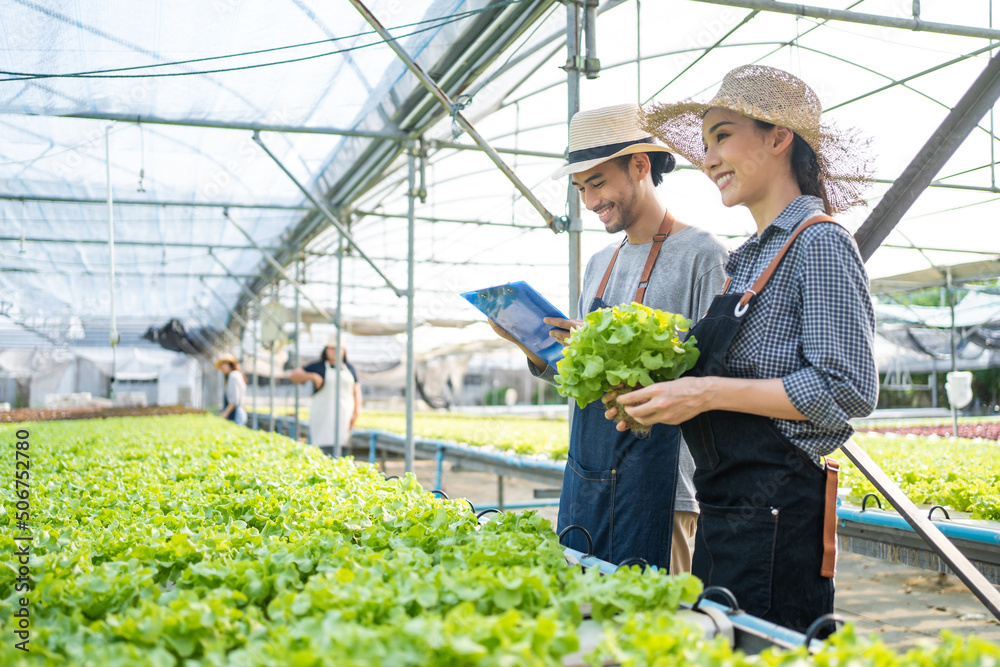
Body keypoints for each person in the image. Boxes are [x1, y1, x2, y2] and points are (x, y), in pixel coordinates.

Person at [605, 65, 878, 632]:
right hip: (725, 511)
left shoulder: (821, 243)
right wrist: (653, 399)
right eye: (706, 144)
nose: (708, 160)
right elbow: (717, 387)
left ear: (779, 137)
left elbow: (847, 387)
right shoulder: (746, 260)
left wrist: (705, 392)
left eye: (723, 136)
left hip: (780, 519)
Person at [490, 103, 728, 573]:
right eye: (580, 189)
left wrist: (608, 339)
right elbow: (583, 384)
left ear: (640, 165)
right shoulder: (599, 263)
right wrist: (528, 341)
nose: (589, 201)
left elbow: (715, 372)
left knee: (655, 626)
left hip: (663, 487)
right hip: (587, 479)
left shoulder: (703, 255)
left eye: (597, 183)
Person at [289, 335, 362, 453]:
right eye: (332, 348)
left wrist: (356, 413)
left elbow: (356, 392)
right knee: (322, 449)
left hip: (344, 417)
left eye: (339, 349)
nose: (335, 352)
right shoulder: (319, 367)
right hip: (323, 418)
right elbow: (293, 376)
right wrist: (312, 376)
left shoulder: (350, 369)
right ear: (326, 350)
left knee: (342, 448)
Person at [215, 353, 248, 426]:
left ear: (229, 364)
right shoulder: (236, 374)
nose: (222, 367)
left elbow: (234, 400)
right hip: (239, 412)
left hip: (236, 413)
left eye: (224, 364)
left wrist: (225, 413)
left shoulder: (233, 375)